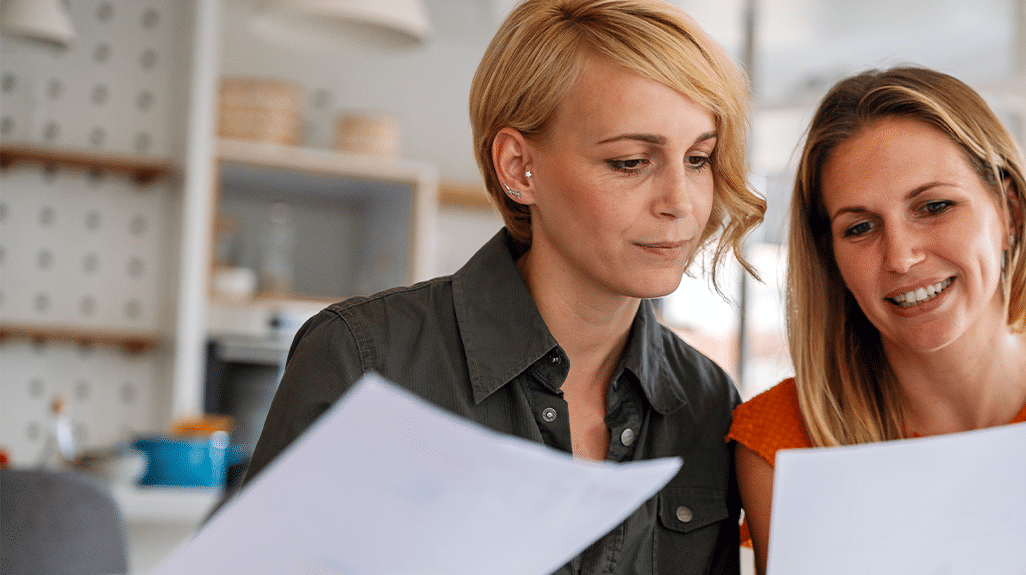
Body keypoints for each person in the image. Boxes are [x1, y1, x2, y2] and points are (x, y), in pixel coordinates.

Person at [239, 1, 761, 573]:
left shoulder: (710, 402)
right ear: (517, 166)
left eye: (698, 159)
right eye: (631, 162)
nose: (680, 203)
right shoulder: (364, 359)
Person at [728, 67, 1026, 575]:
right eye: (860, 227)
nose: (901, 257)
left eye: (934, 206)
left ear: (1010, 212)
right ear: (832, 259)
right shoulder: (780, 443)